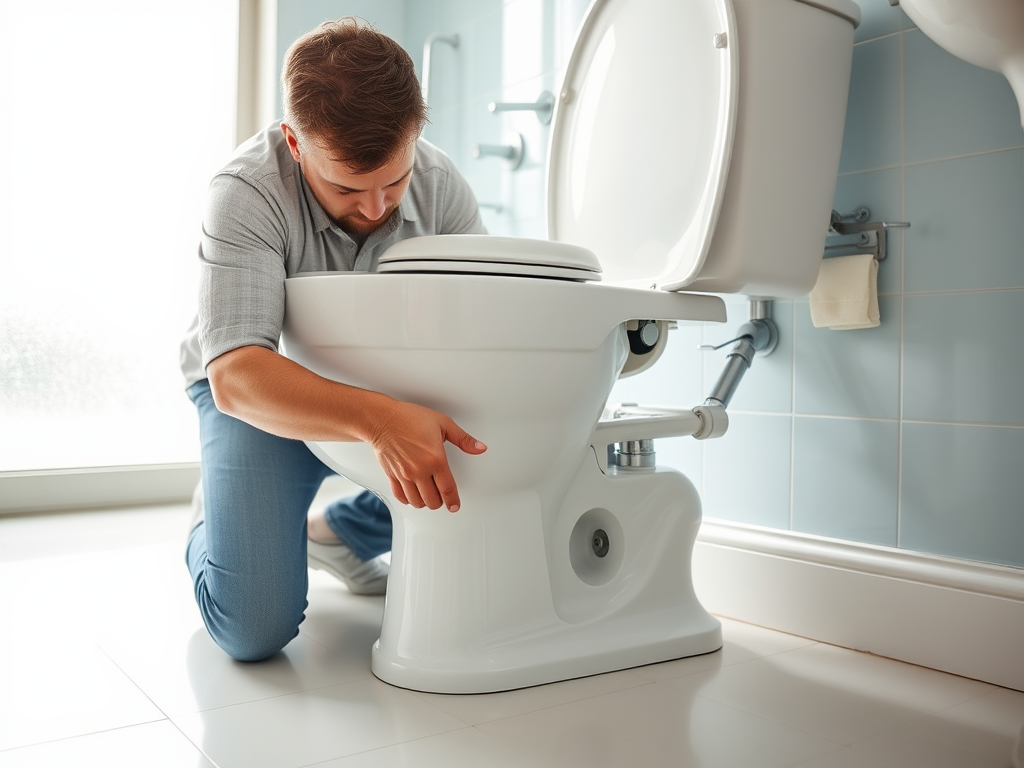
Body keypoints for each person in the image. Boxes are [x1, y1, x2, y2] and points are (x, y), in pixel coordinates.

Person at [178, 17, 488, 662]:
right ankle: (219, 520)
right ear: (294, 142)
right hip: (264, 392)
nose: (376, 208)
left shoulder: (443, 184)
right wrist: (378, 424)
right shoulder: (246, 191)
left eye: (394, 181)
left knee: (497, 443)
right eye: (347, 187)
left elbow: (478, 331)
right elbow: (236, 375)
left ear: (416, 135)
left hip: (386, 381)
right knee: (252, 631)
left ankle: (338, 532)